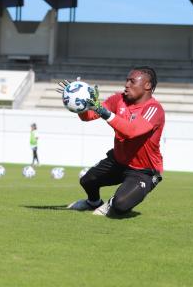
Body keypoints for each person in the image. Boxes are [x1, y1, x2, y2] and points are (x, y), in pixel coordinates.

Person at [57, 66, 165, 217]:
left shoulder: (154, 109)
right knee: (87, 181)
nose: (126, 84)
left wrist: (104, 112)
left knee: (120, 205)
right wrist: (79, 103)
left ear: (147, 85)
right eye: (127, 80)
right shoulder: (118, 99)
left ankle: (113, 203)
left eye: (132, 81)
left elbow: (131, 132)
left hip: (143, 171)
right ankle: (93, 202)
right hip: (119, 161)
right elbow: (89, 116)